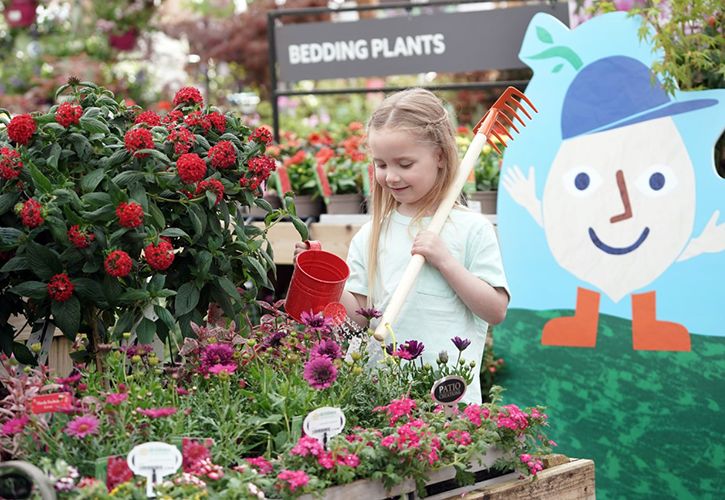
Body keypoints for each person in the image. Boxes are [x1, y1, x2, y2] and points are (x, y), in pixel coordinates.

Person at [294, 88, 510, 403]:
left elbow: (495, 310)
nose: (391, 177)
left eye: (405, 164)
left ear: (439, 155)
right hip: (382, 396)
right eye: (381, 164)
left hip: (450, 400)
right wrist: (326, 277)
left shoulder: (471, 229)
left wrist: (445, 261)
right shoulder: (370, 235)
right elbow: (361, 316)